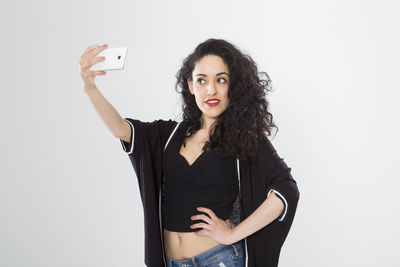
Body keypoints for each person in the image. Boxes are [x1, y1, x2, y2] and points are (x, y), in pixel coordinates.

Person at [79, 38, 300, 267]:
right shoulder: (169, 134)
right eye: (202, 80)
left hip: (219, 259)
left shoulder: (244, 138)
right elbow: (121, 130)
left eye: (221, 80)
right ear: (190, 85)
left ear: (233, 86)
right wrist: (89, 87)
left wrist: (233, 235)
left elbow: (286, 191)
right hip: (170, 261)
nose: (211, 90)